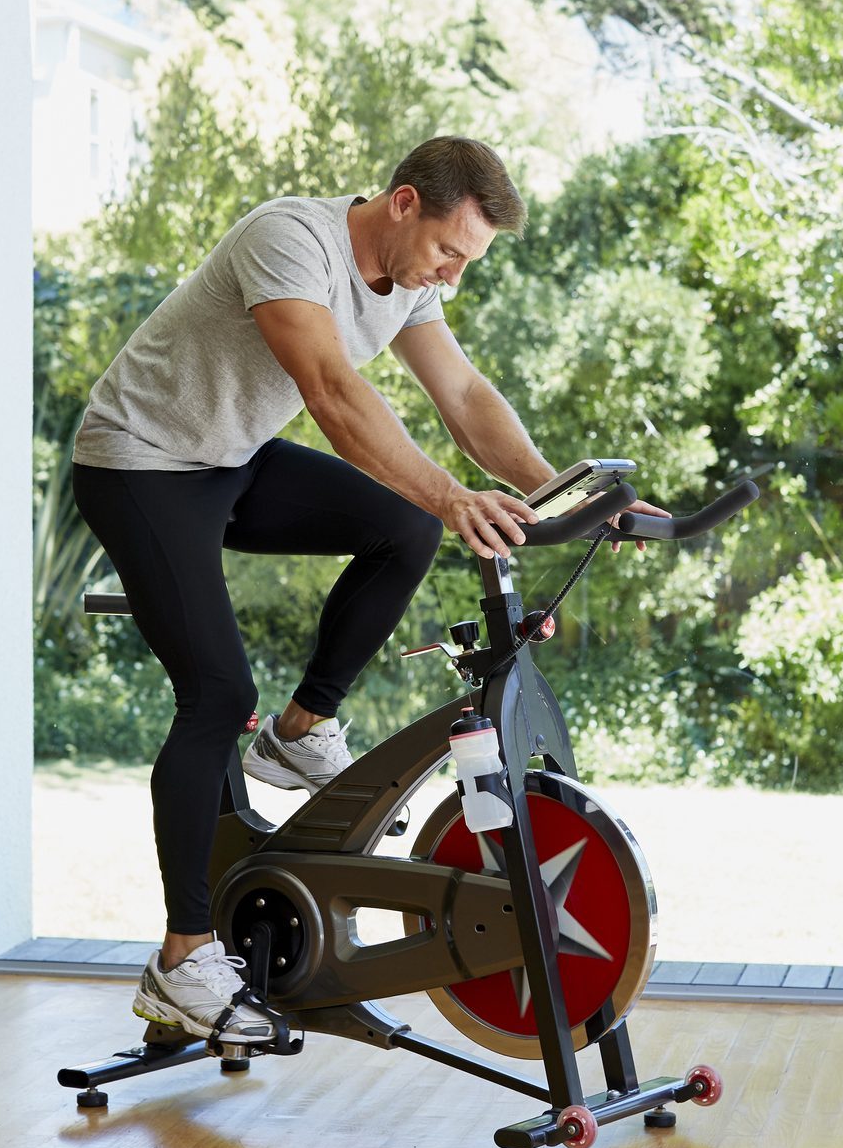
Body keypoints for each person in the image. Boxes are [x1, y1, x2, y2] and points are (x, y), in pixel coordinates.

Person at [71, 136, 665, 1045]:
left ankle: (301, 732)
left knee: (404, 527)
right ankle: (182, 962)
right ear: (401, 204)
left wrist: (562, 498)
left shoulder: (412, 281)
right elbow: (333, 393)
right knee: (216, 691)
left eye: (466, 264)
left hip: (228, 460)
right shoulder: (291, 242)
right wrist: (455, 493)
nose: (450, 278)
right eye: (446, 252)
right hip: (140, 465)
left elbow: (463, 395)